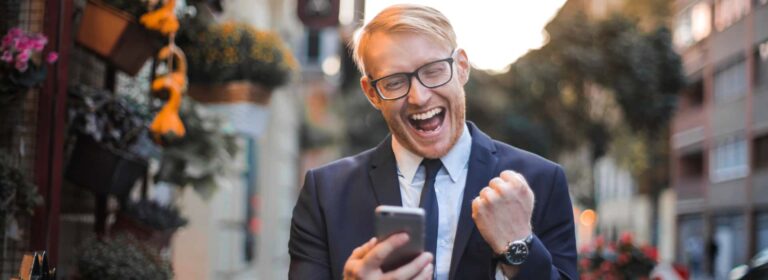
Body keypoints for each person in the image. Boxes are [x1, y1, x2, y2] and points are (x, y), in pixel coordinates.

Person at [289, 4, 577, 280]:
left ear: (462, 67)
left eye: (433, 70)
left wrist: (518, 246)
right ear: (371, 93)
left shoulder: (541, 181)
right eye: (394, 82)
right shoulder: (325, 193)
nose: (419, 97)